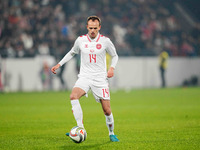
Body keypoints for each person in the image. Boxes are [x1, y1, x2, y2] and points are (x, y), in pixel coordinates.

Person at [51, 16, 119, 142]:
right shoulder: (80, 40)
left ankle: (111, 133)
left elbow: (115, 56)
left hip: (100, 79)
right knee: (73, 96)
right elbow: (72, 52)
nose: (93, 30)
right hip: (85, 76)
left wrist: (112, 68)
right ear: (87, 27)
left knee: (107, 110)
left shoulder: (105, 41)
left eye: (95, 28)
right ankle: (80, 128)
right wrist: (59, 64)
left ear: (99, 27)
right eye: (90, 28)